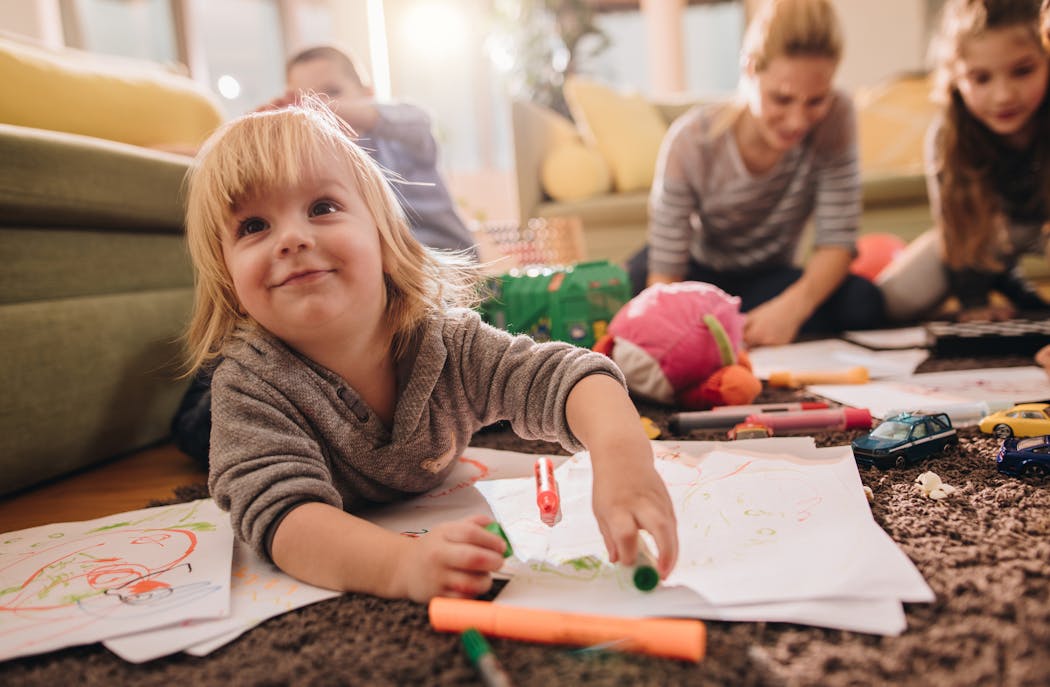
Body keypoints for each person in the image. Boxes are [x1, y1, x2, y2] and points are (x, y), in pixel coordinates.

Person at [181, 99, 678, 601]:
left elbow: (569, 375)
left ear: (384, 238)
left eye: (322, 208)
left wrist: (622, 458)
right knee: (195, 425)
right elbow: (281, 518)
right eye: (253, 226)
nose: (291, 238)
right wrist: (400, 565)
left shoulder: (448, 341)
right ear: (226, 278)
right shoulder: (249, 386)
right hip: (229, 399)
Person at [171, 44, 477, 464]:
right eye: (300, 95)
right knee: (207, 402)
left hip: (432, 287)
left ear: (366, 91)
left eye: (330, 91)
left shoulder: (401, 138)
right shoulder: (296, 166)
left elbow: (414, 119)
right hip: (322, 306)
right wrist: (263, 135)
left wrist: (316, 115)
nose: (315, 104)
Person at [627, 0, 885, 347]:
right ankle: (732, 323)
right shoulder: (691, 141)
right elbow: (666, 268)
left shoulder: (837, 117)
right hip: (695, 272)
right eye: (781, 99)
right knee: (631, 289)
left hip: (768, 279)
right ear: (749, 69)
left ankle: (735, 323)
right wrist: (674, 329)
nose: (798, 121)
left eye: (815, 101)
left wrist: (790, 310)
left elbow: (837, 240)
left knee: (863, 302)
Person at [878, 0, 1050, 322]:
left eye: (1023, 71)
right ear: (955, 78)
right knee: (890, 300)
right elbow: (958, 233)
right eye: (981, 79)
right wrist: (973, 303)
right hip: (982, 238)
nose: (1003, 96)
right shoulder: (948, 136)